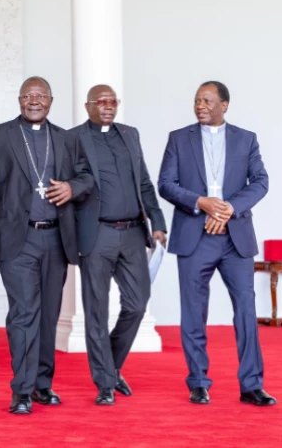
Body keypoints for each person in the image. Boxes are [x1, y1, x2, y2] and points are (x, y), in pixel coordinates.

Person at [0, 76, 92, 415]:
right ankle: (21, 390)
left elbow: (88, 176)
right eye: (28, 96)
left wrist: (72, 186)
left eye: (40, 96)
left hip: (56, 238)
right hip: (16, 239)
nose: (34, 101)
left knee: (48, 315)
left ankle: (42, 385)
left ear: (51, 101)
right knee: (25, 312)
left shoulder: (68, 139)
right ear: (20, 100)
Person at [158, 81, 275, 407]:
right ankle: (198, 383)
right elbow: (165, 184)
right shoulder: (179, 139)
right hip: (195, 238)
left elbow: (261, 181)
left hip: (235, 239)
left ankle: (252, 385)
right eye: (197, 101)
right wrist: (201, 202)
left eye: (208, 101)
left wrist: (227, 209)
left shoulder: (246, 139)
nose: (200, 106)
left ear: (225, 104)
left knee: (246, 312)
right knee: (194, 313)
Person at [70, 84, 166, 405]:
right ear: (88, 106)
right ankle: (105, 384)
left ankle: (110, 367)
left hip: (133, 233)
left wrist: (158, 223)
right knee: (95, 312)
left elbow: (144, 183)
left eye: (113, 101)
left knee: (137, 303)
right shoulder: (73, 138)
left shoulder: (130, 134)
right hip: (97, 235)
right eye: (101, 102)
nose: (107, 106)